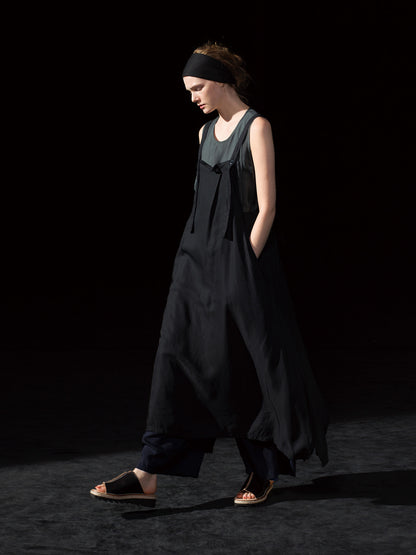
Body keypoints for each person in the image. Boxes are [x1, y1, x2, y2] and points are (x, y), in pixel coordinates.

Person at [90, 42, 329, 507]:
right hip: (194, 260)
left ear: (221, 80)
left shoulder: (256, 126)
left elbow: (267, 207)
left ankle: (262, 471)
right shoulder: (204, 133)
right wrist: (195, 262)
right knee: (176, 357)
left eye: (198, 87)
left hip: (241, 263)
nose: (193, 97)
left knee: (244, 361)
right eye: (189, 89)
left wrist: (244, 264)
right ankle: (147, 473)